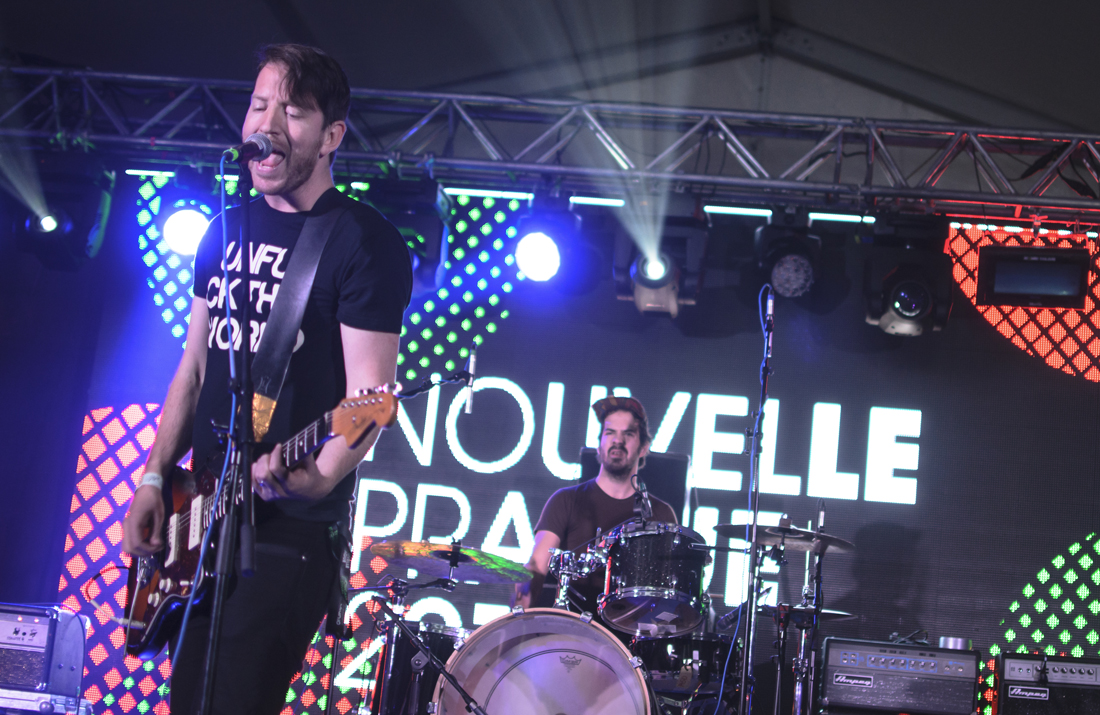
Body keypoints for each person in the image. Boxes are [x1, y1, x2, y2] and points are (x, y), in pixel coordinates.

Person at [121, 44, 412, 714]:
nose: (268, 124)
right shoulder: (224, 228)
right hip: (203, 517)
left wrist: (317, 476)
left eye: (293, 112)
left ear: (331, 136)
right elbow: (195, 366)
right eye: (259, 105)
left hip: (288, 533)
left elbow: (370, 401)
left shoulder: (361, 241)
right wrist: (154, 478)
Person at [514, 396, 678, 613]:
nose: (617, 441)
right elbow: (537, 565)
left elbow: (668, 588)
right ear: (599, 444)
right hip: (571, 625)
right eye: (610, 433)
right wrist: (520, 607)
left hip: (631, 628)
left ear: (644, 447)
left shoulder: (660, 513)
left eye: (628, 434)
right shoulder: (565, 500)